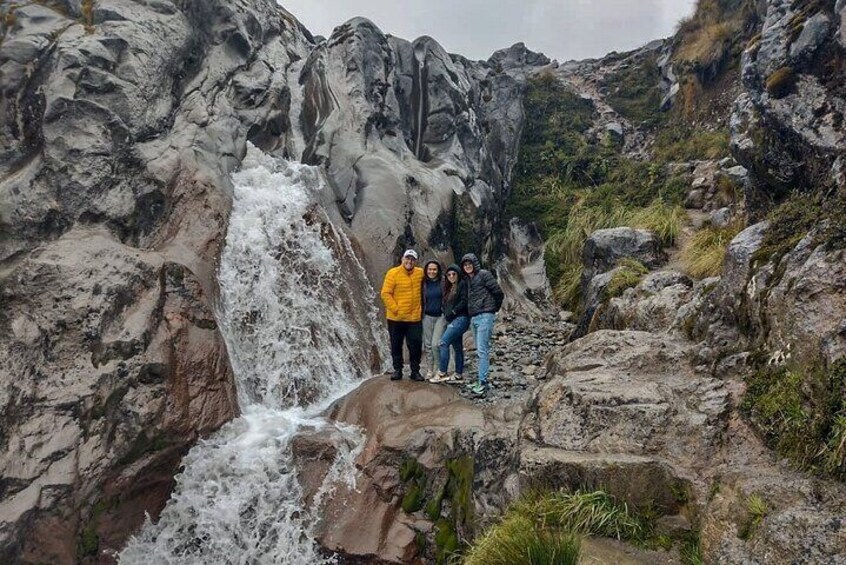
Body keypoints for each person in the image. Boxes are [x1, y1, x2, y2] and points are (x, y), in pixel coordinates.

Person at [460, 253, 503, 396]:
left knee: (482, 350)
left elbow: (498, 292)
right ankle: (480, 379)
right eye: (465, 265)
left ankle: (483, 383)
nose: (467, 266)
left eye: (469, 264)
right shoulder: (467, 280)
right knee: (479, 350)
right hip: (474, 318)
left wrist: (492, 309)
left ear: (475, 264)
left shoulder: (484, 274)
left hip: (485, 315)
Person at [380, 249, 425, 381]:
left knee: (415, 344)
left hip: (414, 318)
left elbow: (433, 278)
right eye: (407, 258)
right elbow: (385, 293)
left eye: (412, 259)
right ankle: (398, 370)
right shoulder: (392, 273)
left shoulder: (420, 273)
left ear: (415, 261)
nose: (409, 261)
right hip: (396, 318)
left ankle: (415, 371)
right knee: (396, 344)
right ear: (402, 259)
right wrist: (396, 309)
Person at [430, 264, 469, 383]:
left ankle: (442, 372)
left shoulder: (462, 285)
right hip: (453, 319)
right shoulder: (449, 287)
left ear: (458, 274)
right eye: (449, 274)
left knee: (443, 343)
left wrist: (453, 312)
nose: (451, 276)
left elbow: (464, 301)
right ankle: (458, 374)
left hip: (460, 318)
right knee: (457, 348)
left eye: (454, 274)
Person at [421, 260, 446, 379]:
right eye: (430, 269)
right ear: (426, 270)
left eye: (434, 269)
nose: (432, 271)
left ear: (438, 270)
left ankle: (439, 368)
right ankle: (430, 369)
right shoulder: (423, 283)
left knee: (436, 344)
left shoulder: (443, 282)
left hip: (440, 316)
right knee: (428, 345)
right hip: (426, 316)